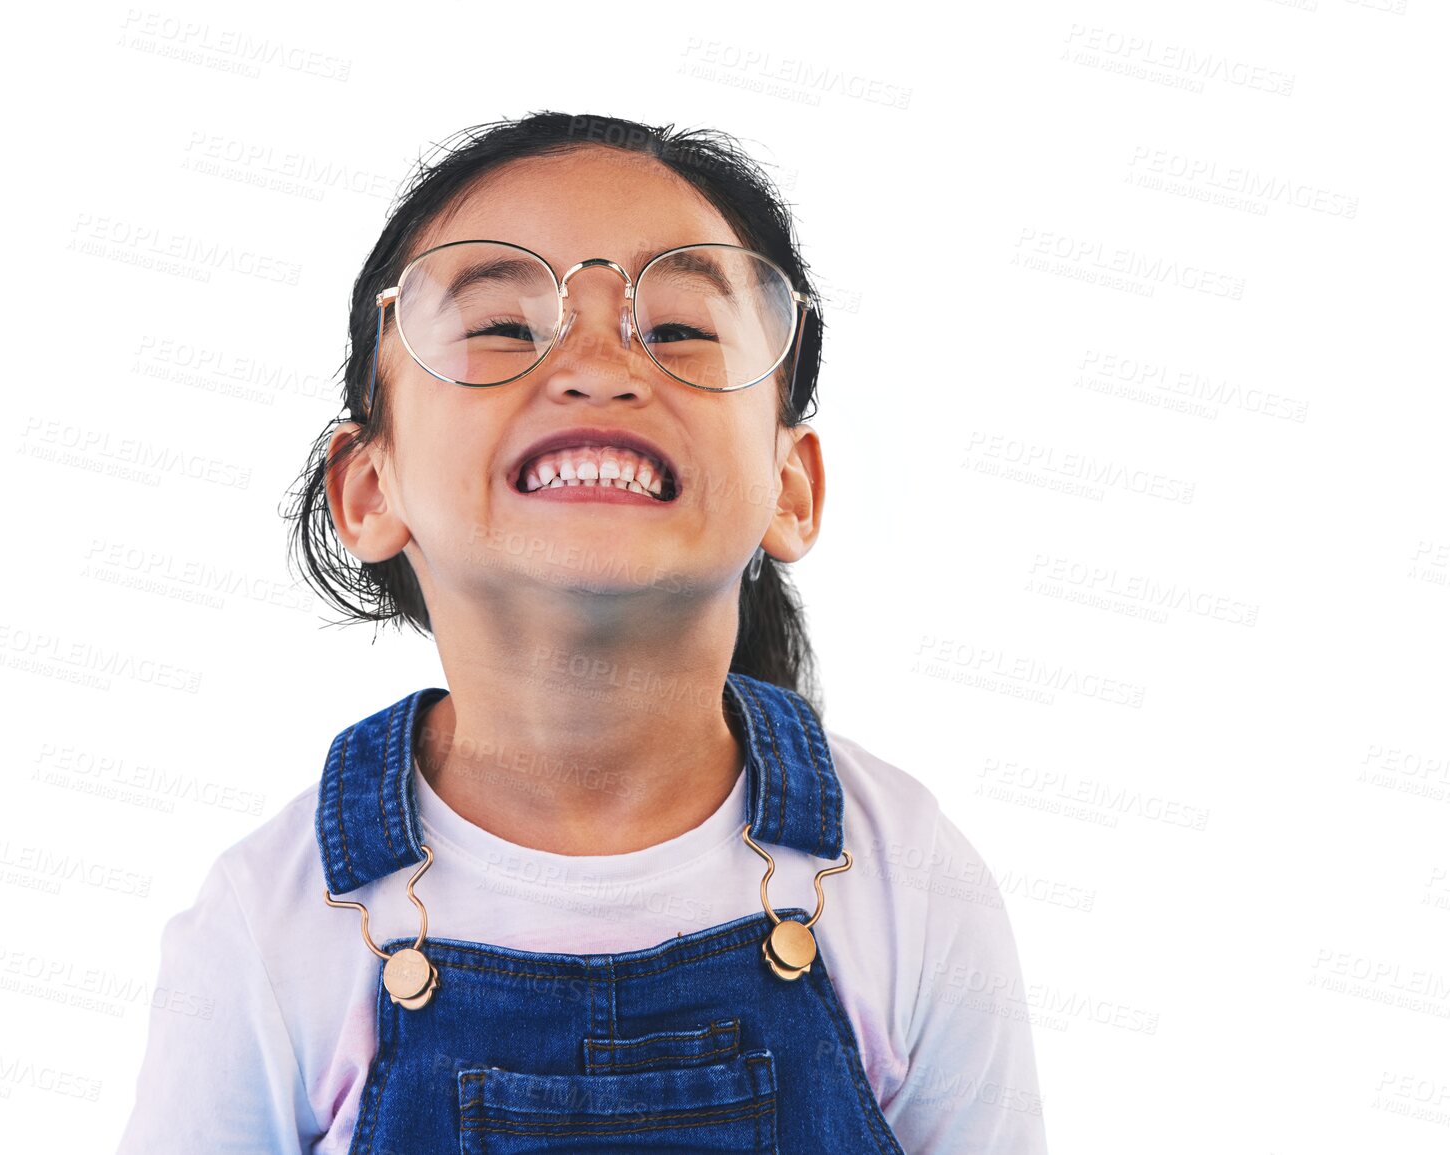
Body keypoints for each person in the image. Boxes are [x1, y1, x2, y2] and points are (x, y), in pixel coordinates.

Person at [115, 111, 1048, 1154]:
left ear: (791, 486)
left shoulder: (904, 876)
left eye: (681, 330)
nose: (599, 365)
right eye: (504, 329)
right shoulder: (272, 924)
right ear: (368, 489)